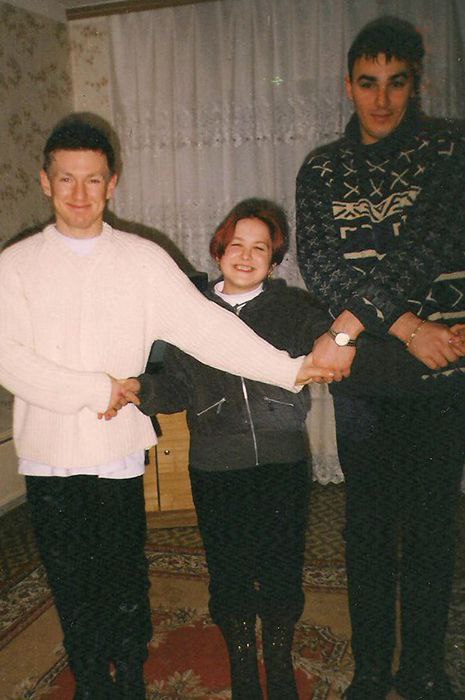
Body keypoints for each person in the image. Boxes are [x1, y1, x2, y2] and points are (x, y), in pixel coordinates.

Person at [0, 116, 333, 700]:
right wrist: (96, 390)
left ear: (112, 183)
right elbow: (8, 358)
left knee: (125, 576)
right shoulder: (15, 264)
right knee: (71, 580)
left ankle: (130, 677)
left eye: (93, 179)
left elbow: (209, 329)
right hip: (49, 453)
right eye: (67, 179)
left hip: (117, 450)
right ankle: (91, 683)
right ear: (45, 182)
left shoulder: (143, 259)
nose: (80, 193)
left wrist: (289, 369)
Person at [296, 16, 465, 700]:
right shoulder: (320, 169)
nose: (383, 98)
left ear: (414, 82)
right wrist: (405, 326)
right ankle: (370, 671)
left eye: (396, 82)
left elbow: (426, 245)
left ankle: (422, 668)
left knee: (430, 530)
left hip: (438, 374)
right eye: (368, 83)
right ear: (348, 86)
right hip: (364, 377)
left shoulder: (450, 149)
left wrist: (402, 330)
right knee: (365, 530)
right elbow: (321, 267)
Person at [121, 199, 331, 700]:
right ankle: (241, 664)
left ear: (274, 260)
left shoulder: (295, 310)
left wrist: (339, 342)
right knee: (229, 567)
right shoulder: (189, 313)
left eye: (260, 248)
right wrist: (142, 390)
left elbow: (328, 345)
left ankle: (277, 661)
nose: (246, 255)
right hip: (216, 464)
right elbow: (175, 387)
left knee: (281, 564)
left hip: (283, 459)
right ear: (219, 251)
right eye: (237, 244)